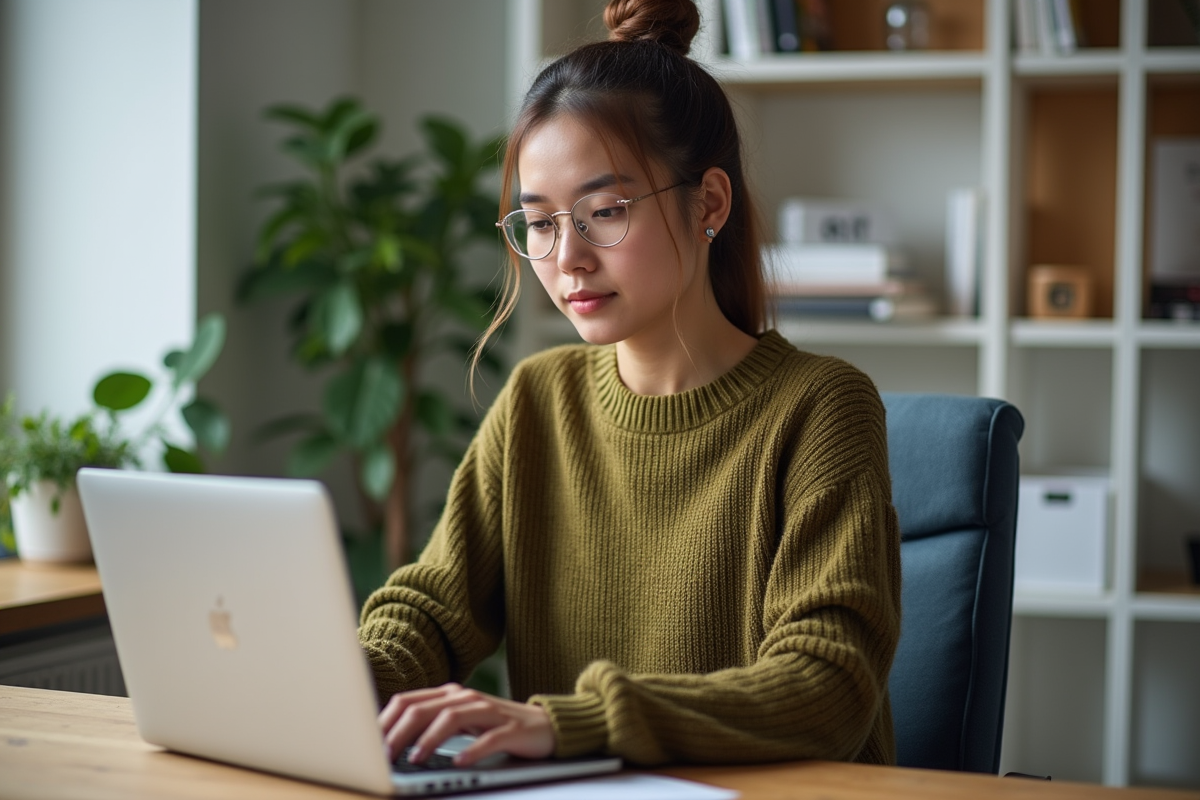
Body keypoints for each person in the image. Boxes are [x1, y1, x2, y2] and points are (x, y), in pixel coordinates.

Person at [357, 0, 901, 770]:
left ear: (710, 202)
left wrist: (571, 725)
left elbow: (826, 686)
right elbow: (433, 610)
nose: (567, 258)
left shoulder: (820, 408)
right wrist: (346, 678)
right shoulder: (538, 399)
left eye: (604, 211)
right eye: (539, 223)